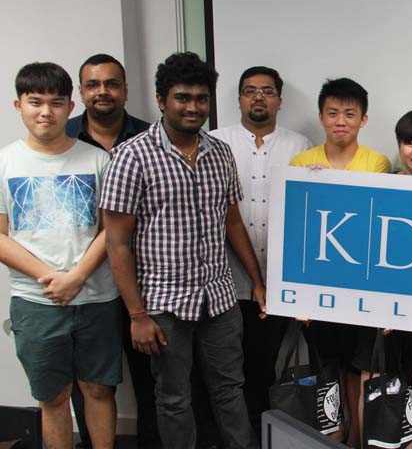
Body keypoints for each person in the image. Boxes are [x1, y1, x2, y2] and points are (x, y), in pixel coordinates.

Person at [101, 52, 264, 449]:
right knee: (173, 399)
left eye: (201, 99)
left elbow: (233, 223)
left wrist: (256, 282)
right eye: (183, 98)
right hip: (163, 305)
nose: (193, 107)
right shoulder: (131, 156)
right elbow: (117, 244)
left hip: (220, 299)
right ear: (161, 100)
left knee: (230, 389)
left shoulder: (220, 152)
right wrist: (137, 314)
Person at [0, 62, 120, 449]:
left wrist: (76, 276)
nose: (45, 112)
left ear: (70, 107)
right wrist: (50, 278)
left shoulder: (97, 160)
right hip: (36, 301)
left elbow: (112, 229)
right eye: (35, 102)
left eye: (55, 103)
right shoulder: (5, 162)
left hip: (97, 298)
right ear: (18, 105)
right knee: (53, 397)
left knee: (99, 389)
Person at [290, 77, 391, 446]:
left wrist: (327, 186)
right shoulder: (301, 162)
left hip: (361, 285)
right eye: (332, 113)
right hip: (319, 285)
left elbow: (373, 222)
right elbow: (296, 231)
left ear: (363, 119)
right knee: (326, 368)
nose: (341, 121)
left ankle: (355, 440)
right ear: (321, 117)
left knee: (357, 368)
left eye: (350, 114)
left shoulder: (377, 162)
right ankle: (333, 437)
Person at [212, 65, 311, 434]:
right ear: (239, 98)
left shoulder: (299, 146)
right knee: (224, 368)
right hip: (226, 281)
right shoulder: (216, 142)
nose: (258, 97)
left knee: (266, 365)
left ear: (279, 101)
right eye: (250, 90)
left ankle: (262, 433)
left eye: (267, 91)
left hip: (277, 280)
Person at [66, 53, 158, 449]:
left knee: (152, 381)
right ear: (81, 91)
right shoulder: (64, 138)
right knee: (89, 384)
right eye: (93, 84)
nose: (102, 91)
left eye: (111, 84)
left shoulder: (151, 137)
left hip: (145, 284)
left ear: (125, 89)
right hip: (85, 286)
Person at [350, 109, 412, 448]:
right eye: (410, 142)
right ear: (399, 145)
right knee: (373, 381)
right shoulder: (380, 185)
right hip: (380, 304)